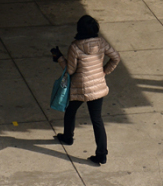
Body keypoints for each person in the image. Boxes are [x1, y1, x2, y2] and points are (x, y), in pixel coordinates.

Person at [51, 15, 120, 165]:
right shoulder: (101, 42)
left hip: (81, 88)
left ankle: (68, 137)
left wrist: (60, 59)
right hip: (97, 87)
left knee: (70, 110)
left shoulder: (75, 47)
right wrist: (104, 72)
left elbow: (70, 70)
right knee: (97, 119)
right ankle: (101, 154)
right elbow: (116, 57)